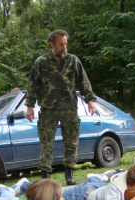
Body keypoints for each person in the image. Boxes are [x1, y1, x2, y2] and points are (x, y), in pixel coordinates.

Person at [24, 29, 97, 185]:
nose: (64, 47)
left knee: (72, 142)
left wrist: (90, 100)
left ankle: (69, 172)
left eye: (65, 44)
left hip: (69, 109)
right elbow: (32, 86)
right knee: (46, 144)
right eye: (60, 44)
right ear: (52, 44)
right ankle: (45, 175)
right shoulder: (41, 62)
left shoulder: (73, 61)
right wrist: (29, 106)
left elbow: (84, 82)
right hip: (48, 110)